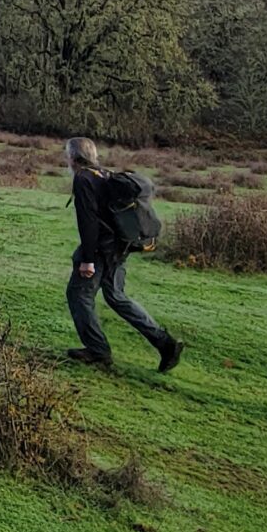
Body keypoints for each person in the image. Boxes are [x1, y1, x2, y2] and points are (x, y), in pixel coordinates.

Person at [64, 137, 182, 372]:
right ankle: (166, 344)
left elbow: (88, 222)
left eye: (66, 154)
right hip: (119, 248)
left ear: (74, 157)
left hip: (101, 250)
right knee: (116, 296)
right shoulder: (105, 174)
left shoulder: (83, 178)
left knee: (79, 294)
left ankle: (98, 351)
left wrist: (87, 260)